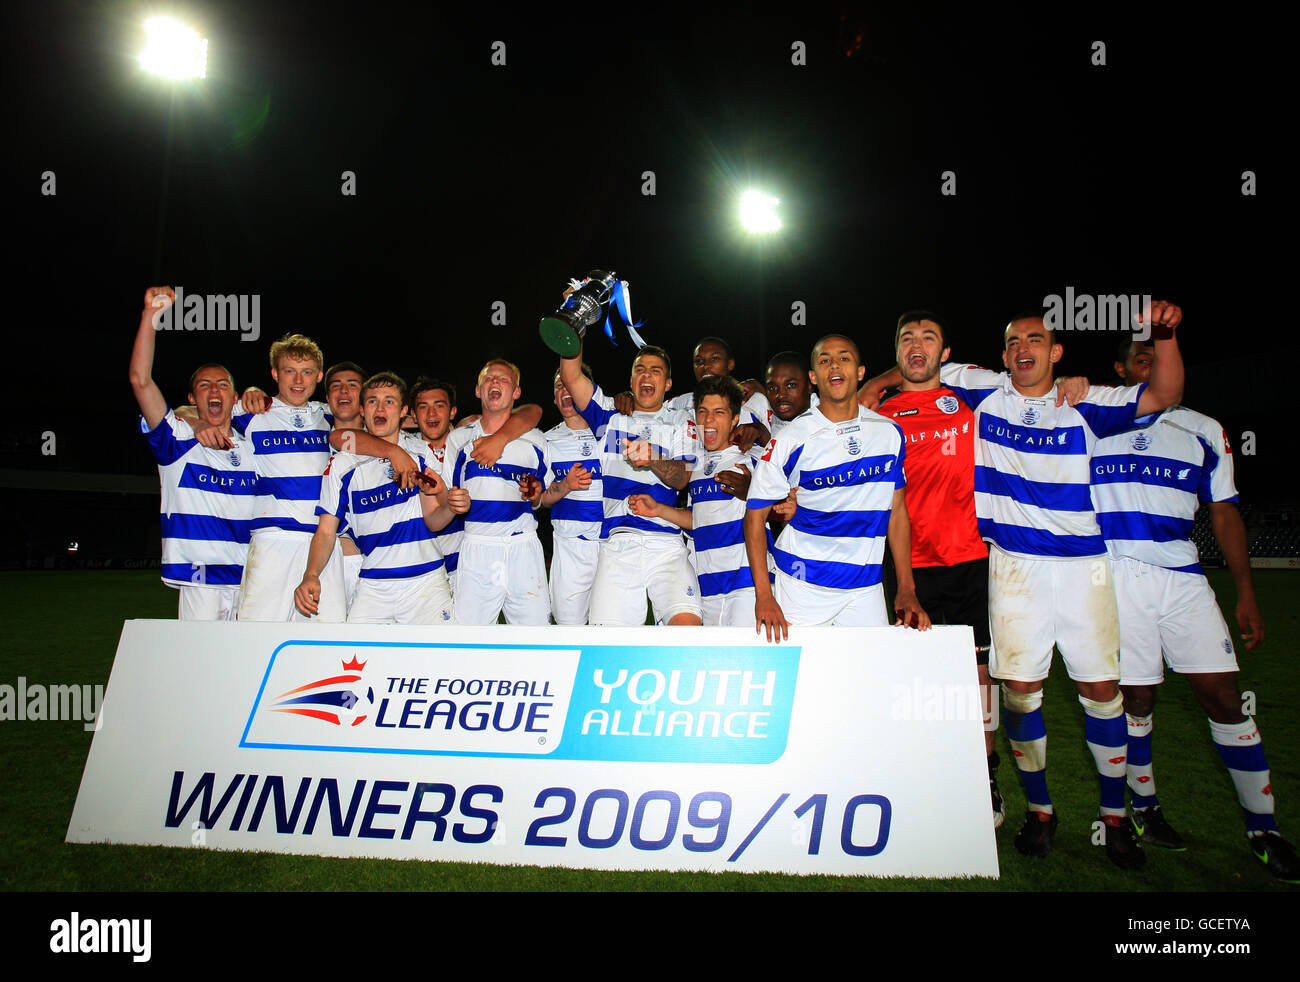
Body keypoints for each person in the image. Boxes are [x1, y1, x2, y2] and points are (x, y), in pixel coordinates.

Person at [859, 302, 1185, 868]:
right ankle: (1040, 810)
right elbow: (916, 364)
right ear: (1002, 354)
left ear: (1056, 352)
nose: (1022, 351)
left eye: (1034, 341)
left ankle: (1115, 819)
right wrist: (876, 384)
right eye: (1012, 343)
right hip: (1011, 566)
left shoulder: (1085, 401)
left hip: (1084, 568)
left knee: (1101, 694)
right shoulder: (985, 391)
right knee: (1019, 693)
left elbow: (1162, 396)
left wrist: (1164, 336)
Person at [1092, 338, 1297, 881]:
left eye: (1159, 361)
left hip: (1184, 578)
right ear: (1121, 370)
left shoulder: (1205, 430)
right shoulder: (1093, 421)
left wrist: (1246, 592)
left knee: (1225, 696)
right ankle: (1145, 807)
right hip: (1116, 576)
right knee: (1134, 697)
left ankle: (1264, 829)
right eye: (1140, 360)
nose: (1152, 367)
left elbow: (1225, 513)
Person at [878, 311, 1004, 827]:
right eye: (907, 337)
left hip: (973, 558)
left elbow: (1029, 385)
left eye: (929, 337)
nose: (917, 345)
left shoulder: (973, 398)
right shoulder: (880, 415)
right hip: (909, 564)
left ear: (945, 354)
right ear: (897, 351)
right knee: (913, 677)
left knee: (980, 677)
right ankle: (922, 776)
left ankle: (986, 777)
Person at [745, 334, 929, 638]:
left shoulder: (889, 433)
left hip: (866, 587)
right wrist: (764, 596)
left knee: (868, 682)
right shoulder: (791, 439)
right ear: (814, 377)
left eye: (844, 358)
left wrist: (907, 588)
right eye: (824, 360)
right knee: (804, 680)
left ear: (860, 372)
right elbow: (754, 517)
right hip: (802, 584)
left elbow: (896, 512)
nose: (835, 365)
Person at [130, 286, 255, 620]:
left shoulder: (253, 446)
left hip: (252, 578)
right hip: (200, 577)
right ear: (192, 398)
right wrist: (150, 317)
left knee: (246, 667)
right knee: (200, 666)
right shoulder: (178, 438)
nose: (214, 389)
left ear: (235, 397)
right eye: (204, 385)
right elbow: (141, 381)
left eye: (222, 385)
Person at [559, 342, 703, 626]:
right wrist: (573, 327)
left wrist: (653, 459)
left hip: (667, 544)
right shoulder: (609, 417)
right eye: (640, 370)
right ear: (631, 380)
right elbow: (571, 376)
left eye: (655, 371)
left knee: (687, 631)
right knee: (608, 645)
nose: (647, 376)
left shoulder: (680, 421)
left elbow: (683, 477)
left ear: (668, 383)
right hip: (617, 543)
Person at [295, 372, 457, 624]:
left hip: (425, 584)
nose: (380, 408)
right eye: (372, 401)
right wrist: (311, 574)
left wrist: (453, 508)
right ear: (362, 409)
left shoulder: (420, 452)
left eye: (389, 401)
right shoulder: (341, 465)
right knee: (357, 661)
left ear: (404, 410)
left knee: (437, 663)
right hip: (373, 585)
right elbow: (326, 532)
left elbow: (434, 520)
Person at [629, 375, 770, 625]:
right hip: (707, 585)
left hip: (747, 586)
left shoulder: (754, 458)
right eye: (703, 412)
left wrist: (753, 493)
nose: (709, 420)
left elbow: (784, 508)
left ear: (735, 418)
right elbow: (699, 519)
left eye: (719, 412)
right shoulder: (694, 466)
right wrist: (659, 510)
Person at [440, 359, 552, 625]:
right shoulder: (458, 439)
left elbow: (541, 496)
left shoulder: (536, 439)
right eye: (488, 379)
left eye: (503, 379)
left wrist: (535, 495)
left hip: (523, 545)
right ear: (478, 391)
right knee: (470, 638)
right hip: (478, 545)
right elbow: (448, 493)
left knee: (534, 637)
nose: (495, 382)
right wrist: (453, 501)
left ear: (516, 393)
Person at [541, 364, 607, 624]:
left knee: (610, 629)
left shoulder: (609, 433)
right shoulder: (546, 441)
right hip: (570, 547)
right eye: (559, 386)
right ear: (555, 398)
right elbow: (541, 499)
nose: (565, 390)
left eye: (570, 385)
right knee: (569, 628)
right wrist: (565, 485)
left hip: (611, 546)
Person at [323, 361, 368, 611]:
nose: (343, 392)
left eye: (352, 386)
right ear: (327, 397)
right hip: (322, 559)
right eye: (336, 387)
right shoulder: (311, 435)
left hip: (369, 560)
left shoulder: (387, 439)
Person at [763, 351, 816, 438]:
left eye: (791, 385)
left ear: (809, 386)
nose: (780, 395)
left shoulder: (829, 423)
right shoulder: (765, 420)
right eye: (773, 388)